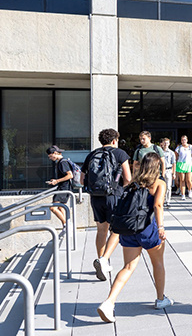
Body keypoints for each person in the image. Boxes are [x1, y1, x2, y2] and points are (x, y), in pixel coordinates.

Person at [97, 153, 172, 323]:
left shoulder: (132, 183)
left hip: (129, 229)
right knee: (158, 263)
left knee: (128, 267)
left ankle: (109, 302)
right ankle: (161, 299)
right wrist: (161, 227)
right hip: (148, 229)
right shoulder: (159, 183)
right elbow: (158, 205)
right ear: (157, 167)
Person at [82, 128, 132, 282]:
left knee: (101, 230)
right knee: (116, 230)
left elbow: (81, 179)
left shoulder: (92, 154)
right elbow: (128, 178)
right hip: (114, 195)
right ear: (114, 140)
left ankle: (101, 259)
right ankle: (104, 260)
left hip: (96, 197)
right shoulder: (120, 153)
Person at [45, 145, 73, 225]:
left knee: (53, 207)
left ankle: (66, 224)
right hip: (65, 187)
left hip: (64, 188)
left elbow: (70, 175)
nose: (50, 158)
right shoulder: (61, 162)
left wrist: (57, 181)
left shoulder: (62, 162)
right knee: (61, 207)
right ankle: (66, 224)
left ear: (55, 153)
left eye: (50, 156)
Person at [174, 136, 192, 200]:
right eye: (182, 140)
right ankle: (183, 194)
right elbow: (175, 157)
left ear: (187, 140)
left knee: (189, 180)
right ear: (181, 141)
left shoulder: (191, 147)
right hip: (181, 164)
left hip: (189, 164)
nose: (184, 141)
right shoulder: (179, 148)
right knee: (182, 180)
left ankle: (189, 190)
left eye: (185, 140)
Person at [160, 138, 176, 208]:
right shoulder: (159, 152)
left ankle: (168, 201)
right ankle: (162, 200)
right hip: (160, 171)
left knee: (168, 187)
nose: (166, 144)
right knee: (161, 187)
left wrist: (174, 173)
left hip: (168, 170)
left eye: (167, 143)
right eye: (164, 143)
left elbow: (174, 163)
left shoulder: (171, 153)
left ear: (169, 144)